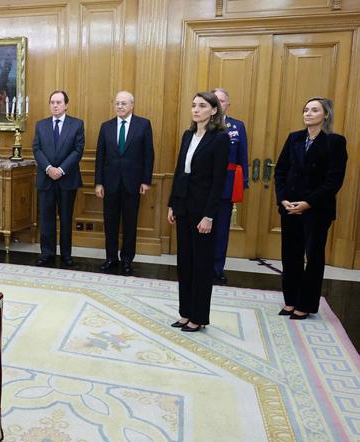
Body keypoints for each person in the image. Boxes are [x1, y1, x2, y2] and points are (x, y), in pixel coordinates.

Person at [275, 97, 347, 320]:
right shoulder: (294, 138)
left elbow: (333, 181)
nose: (308, 113)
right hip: (290, 207)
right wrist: (283, 199)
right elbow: (281, 171)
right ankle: (290, 301)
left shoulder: (335, 142)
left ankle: (305, 304)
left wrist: (308, 203)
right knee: (290, 255)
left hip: (316, 209)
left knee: (313, 257)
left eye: (314, 110)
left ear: (325, 115)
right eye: (305, 109)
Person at [167, 91, 229, 332]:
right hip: (183, 205)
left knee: (201, 264)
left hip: (203, 208)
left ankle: (199, 316)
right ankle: (185, 312)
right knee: (185, 262)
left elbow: (218, 180)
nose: (196, 109)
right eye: (193, 105)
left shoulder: (220, 138)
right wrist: (172, 203)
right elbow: (179, 171)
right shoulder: (188, 135)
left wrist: (209, 215)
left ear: (214, 110)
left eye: (202, 106)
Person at [94, 91, 154, 276]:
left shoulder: (143, 125)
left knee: (130, 223)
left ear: (132, 105)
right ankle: (111, 257)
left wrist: (146, 180)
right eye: (117, 103)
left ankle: (127, 260)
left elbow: (148, 155)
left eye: (124, 103)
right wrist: (98, 183)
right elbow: (100, 157)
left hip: (133, 183)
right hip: (109, 184)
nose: (120, 106)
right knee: (110, 222)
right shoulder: (106, 127)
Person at [32, 90, 85, 267]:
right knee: (46, 219)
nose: (55, 105)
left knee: (66, 218)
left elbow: (78, 151)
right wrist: (48, 168)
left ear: (66, 105)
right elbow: (36, 149)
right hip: (46, 179)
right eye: (52, 102)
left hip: (67, 179)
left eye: (59, 102)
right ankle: (47, 253)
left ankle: (66, 255)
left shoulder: (77, 124)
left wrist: (61, 170)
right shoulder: (41, 125)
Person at [212, 88, 249, 284]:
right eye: (215, 100)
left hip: (226, 185)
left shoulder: (237, 126)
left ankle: (217, 269)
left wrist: (243, 183)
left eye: (222, 100)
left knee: (221, 229)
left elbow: (242, 156)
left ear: (228, 104)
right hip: (206, 185)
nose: (219, 104)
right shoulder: (203, 125)